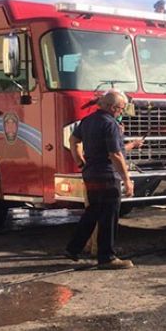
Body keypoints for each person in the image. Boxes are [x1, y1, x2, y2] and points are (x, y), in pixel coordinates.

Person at [64, 90, 140, 269]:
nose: (121, 113)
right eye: (121, 109)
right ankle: (107, 257)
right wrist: (127, 179)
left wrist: (79, 161)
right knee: (109, 215)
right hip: (107, 176)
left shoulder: (88, 121)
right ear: (113, 107)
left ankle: (73, 248)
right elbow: (114, 154)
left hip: (91, 173)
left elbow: (73, 139)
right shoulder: (110, 124)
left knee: (93, 212)